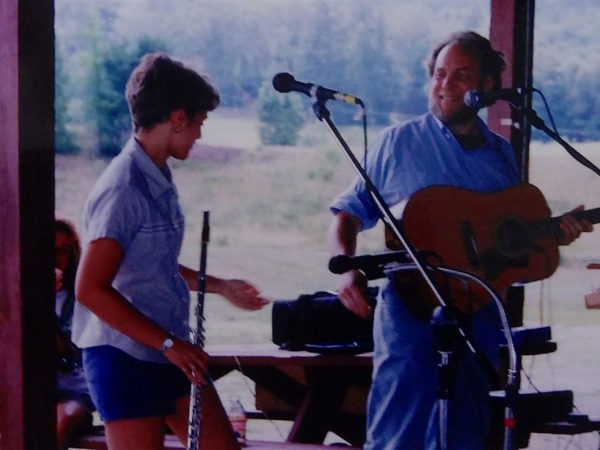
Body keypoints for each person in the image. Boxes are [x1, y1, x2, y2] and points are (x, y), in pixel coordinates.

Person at [328, 30, 592, 449]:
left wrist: (554, 233)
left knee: (463, 430)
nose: (445, 84)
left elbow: (505, 239)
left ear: (488, 85)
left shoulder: (501, 154)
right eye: (439, 73)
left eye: (460, 75)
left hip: (478, 307)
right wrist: (345, 271)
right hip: (409, 308)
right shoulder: (397, 143)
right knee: (400, 424)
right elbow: (348, 214)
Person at [72, 53, 269, 450]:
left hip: (168, 350)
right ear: (178, 118)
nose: (199, 135)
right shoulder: (123, 188)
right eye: (199, 123)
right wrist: (168, 344)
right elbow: (90, 289)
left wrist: (221, 287)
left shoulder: (157, 173)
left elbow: (151, 265)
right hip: (123, 355)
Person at [54, 217, 95, 449]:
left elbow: (76, 349)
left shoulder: (83, 296)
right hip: (26, 387)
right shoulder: (14, 293)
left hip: (73, 389)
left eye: (63, 251)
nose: (56, 259)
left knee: (62, 421)